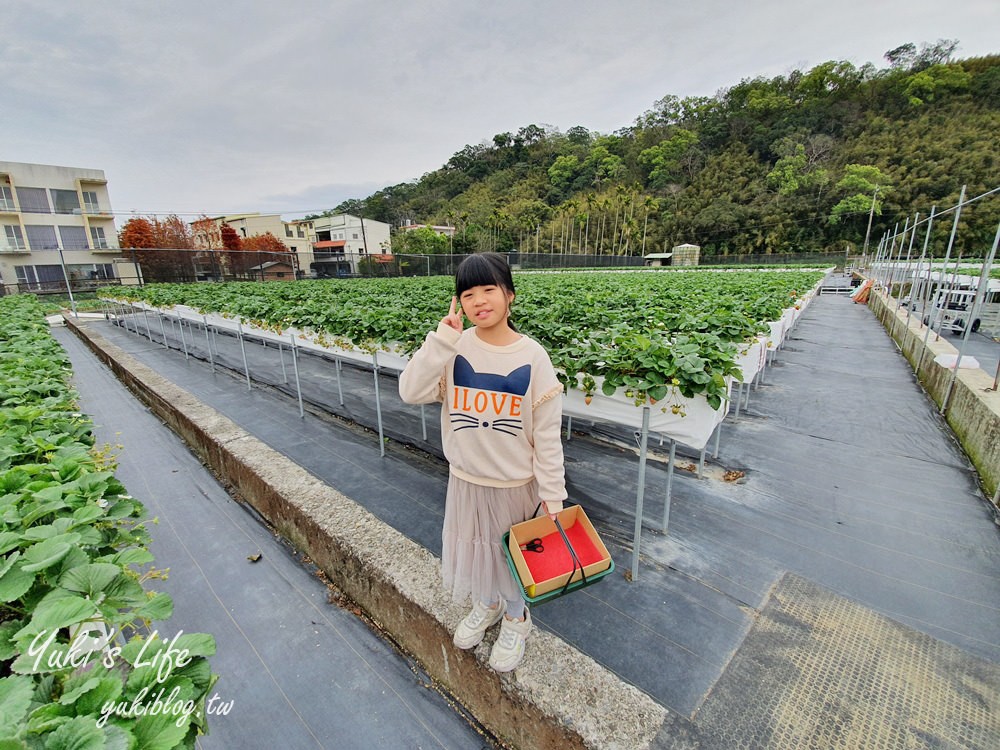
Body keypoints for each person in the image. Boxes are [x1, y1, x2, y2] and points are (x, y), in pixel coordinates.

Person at [399, 252, 567, 672]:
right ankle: (488, 604)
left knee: (510, 557)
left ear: (509, 294)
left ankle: (516, 617)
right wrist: (440, 340)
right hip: (466, 480)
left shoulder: (533, 356)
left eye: (489, 289)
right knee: (477, 551)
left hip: (514, 485)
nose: (479, 300)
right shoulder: (453, 350)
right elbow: (410, 391)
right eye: (467, 293)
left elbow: (546, 436)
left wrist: (553, 496)